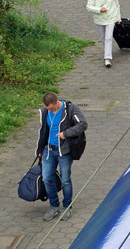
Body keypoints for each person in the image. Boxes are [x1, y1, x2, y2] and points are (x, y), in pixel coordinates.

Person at [36, 92, 86, 221]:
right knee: (46, 178)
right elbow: (43, 131)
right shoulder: (45, 111)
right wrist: (40, 149)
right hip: (49, 149)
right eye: (47, 108)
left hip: (64, 151)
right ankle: (54, 206)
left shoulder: (70, 108)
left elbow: (82, 124)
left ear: (57, 102)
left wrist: (66, 133)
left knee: (65, 180)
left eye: (51, 108)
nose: (49, 110)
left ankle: (67, 206)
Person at [86, 0, 121, 68]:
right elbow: (89, 7)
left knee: (108, 37)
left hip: (111, 17)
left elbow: (116, 4)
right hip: (99, 19)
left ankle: (107, 58)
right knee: (103, 38)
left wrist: (118, 18)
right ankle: (107, 51)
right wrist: (99, 10)